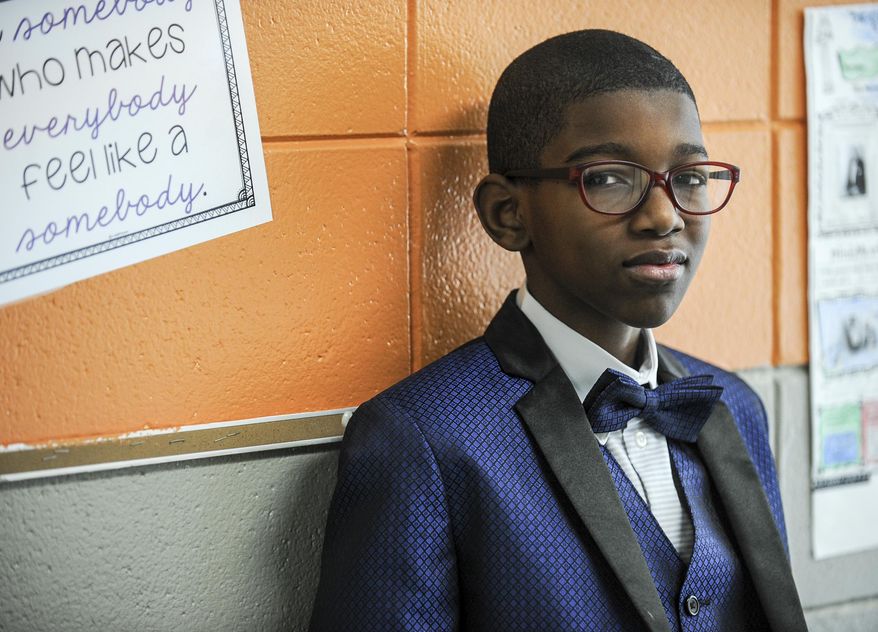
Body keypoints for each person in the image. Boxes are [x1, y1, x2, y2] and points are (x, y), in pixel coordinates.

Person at [309, 30, 807, 632]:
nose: (665, 215)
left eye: (691, 176)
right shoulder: (426, 441)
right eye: (608, 178)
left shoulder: (734, 406)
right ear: (507, 214)